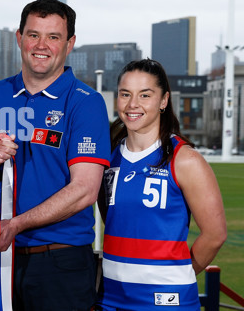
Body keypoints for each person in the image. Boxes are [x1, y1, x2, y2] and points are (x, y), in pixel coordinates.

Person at [0, 0, 110, 310]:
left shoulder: (86, 102)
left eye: (53, 37)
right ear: (18, 38)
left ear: (70, 43)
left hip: (60, 262)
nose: (42, 45)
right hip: (1, 257)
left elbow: (85, 191)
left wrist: (16, 224)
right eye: (33, 34)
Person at [96, 59, 227, 310]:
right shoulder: (108, 157)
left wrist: (176, 276)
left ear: (164, 100)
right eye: (126, 94)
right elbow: (112, 218)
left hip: (165, 301)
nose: (133, 104)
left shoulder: (185, 159)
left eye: (145, 95)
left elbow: (215, 235)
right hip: (111, 298)